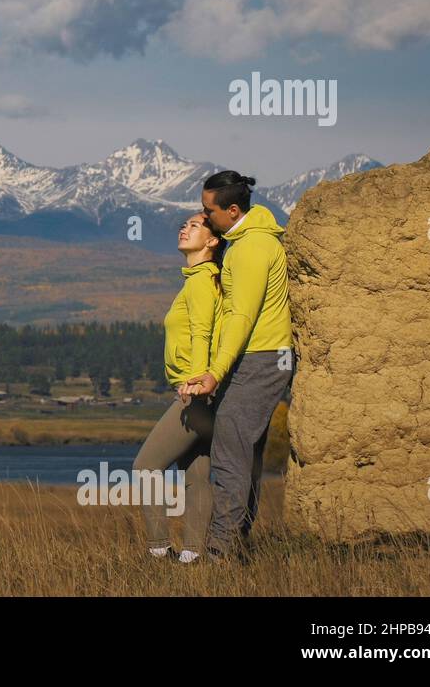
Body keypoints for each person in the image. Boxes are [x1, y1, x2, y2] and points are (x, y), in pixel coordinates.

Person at [183, 171, 293, 562]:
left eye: (207, 210)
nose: (203, 216)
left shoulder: (250, 249)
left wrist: (215, 371)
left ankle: (219, 555)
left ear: (232, 210)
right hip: (257, 357)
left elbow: (242, 316)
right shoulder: (247, 241)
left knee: (229, 458)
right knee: (243, 458)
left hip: (259, 358)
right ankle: (238, 549)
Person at [133, 212, 224, 564]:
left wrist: (196, 378)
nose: (184, 228)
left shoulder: (202, 280)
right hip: (204, 391)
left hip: (197, 392)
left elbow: (203, 332)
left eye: (195, 225)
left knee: (145, 467)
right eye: (184, 224)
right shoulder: (201, 279)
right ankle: (193, 557)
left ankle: (158, 550)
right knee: (196, 474)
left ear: (213, 241)